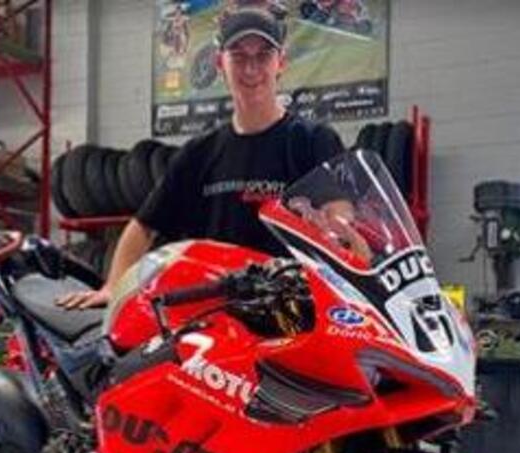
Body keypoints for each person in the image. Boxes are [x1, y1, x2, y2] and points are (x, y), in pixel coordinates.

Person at [57, 6, 344, 310]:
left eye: (263, 56)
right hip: (215, 316)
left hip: (295, 313)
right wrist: (113, 287)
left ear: (281, 62)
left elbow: (342, 217)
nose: (251, 69)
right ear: (220, 63)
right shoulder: (199, 153)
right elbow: (142, 226)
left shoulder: (314, 141)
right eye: (239, 56)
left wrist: (338, 234)